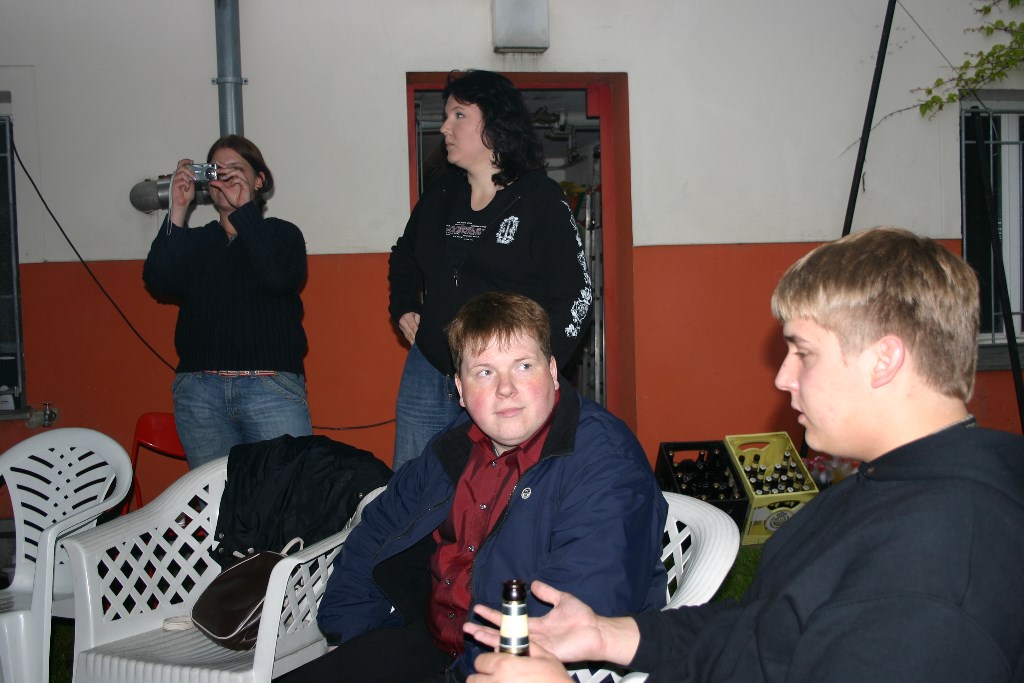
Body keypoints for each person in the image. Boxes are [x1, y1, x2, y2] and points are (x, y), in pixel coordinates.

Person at [463, 227, 1024, 682]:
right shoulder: (883, 486)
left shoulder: (937, 575)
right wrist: (610, 635)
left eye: (803, 353)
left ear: (884, 360)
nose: (783, 378)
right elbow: (760, 630)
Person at [285, 292, 665, 683]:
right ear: (460, 390)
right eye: (484, 372)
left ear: (552, 371)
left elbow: (582, 606)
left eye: (523, 366)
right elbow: (378, 529)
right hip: (431, 641)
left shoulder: (606, 463)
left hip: (523, 664)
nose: (505, 388)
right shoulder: (455, 445)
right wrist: (348, 632)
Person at [388, 69, 594, 470]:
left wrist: (537, 368)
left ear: (495, 124)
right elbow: (404, 254)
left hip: (501, 378)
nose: (444, 127)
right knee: (413, 484)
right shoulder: (440, 195)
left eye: (459, 115)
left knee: (500, 488)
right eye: (446, 116)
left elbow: (577, 297)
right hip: (431, 369)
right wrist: (403, 305)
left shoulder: (539, 198)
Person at [143, 135, 312, 468]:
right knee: (216, 496)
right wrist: (178, 208)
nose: (226, 177)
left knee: (284, 491)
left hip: (270, 387)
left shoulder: (283, 234)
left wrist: (245, 211)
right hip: (200, 393)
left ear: (258, 180)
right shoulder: (195, 241)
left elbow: (279, 278)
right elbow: (159, 282)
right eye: (217, 171)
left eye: (236, 169)